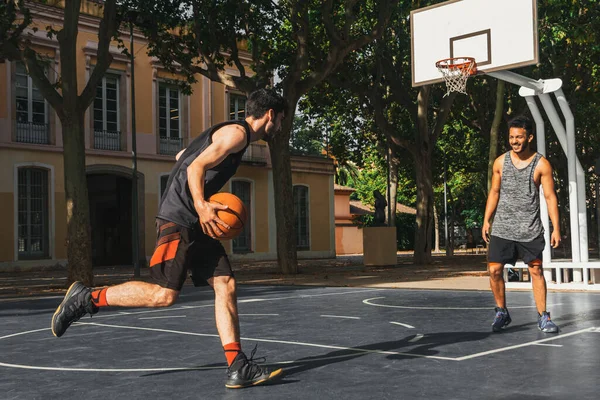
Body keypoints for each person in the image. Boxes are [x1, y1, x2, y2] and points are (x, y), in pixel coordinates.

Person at [51, 88, 287, 389]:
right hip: (182, 218)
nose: (279, 127)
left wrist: (200, 202)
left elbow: (182, 156)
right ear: (269, 115)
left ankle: (237, 366)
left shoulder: (228, 134)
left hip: (196, 222)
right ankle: (86, 298)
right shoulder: (237, 135)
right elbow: (194, 166)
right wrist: (201, 205)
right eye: (279, 120)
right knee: (163, 294)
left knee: (225, 283)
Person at [482, 115, 561, 334]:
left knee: (536, 270)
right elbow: (495, 192)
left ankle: (543, 316)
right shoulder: (500, 162)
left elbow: (550, 197)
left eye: (519, 137)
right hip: (503, 227)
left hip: (530, 228)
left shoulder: (541, 164)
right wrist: (486, 219)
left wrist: (556, 227)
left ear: (530, 137)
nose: (514, 141)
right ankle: (501, 312)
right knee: (495, 271)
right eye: (511, 137)